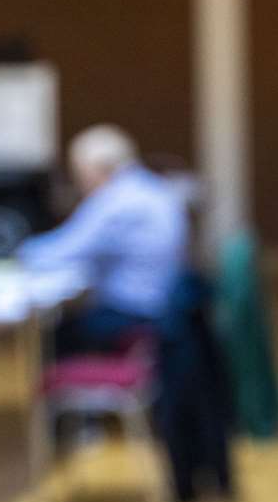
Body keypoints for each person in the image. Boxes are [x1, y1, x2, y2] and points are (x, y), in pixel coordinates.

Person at [18, 124, 188, 356]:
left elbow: (66, 248)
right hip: (158, 309)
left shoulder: (117, 199)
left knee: (51, 339)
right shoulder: (151, 188)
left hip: (134, 313)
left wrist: (17, 253)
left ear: (97, 169)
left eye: (81, 174)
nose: (80, 184)